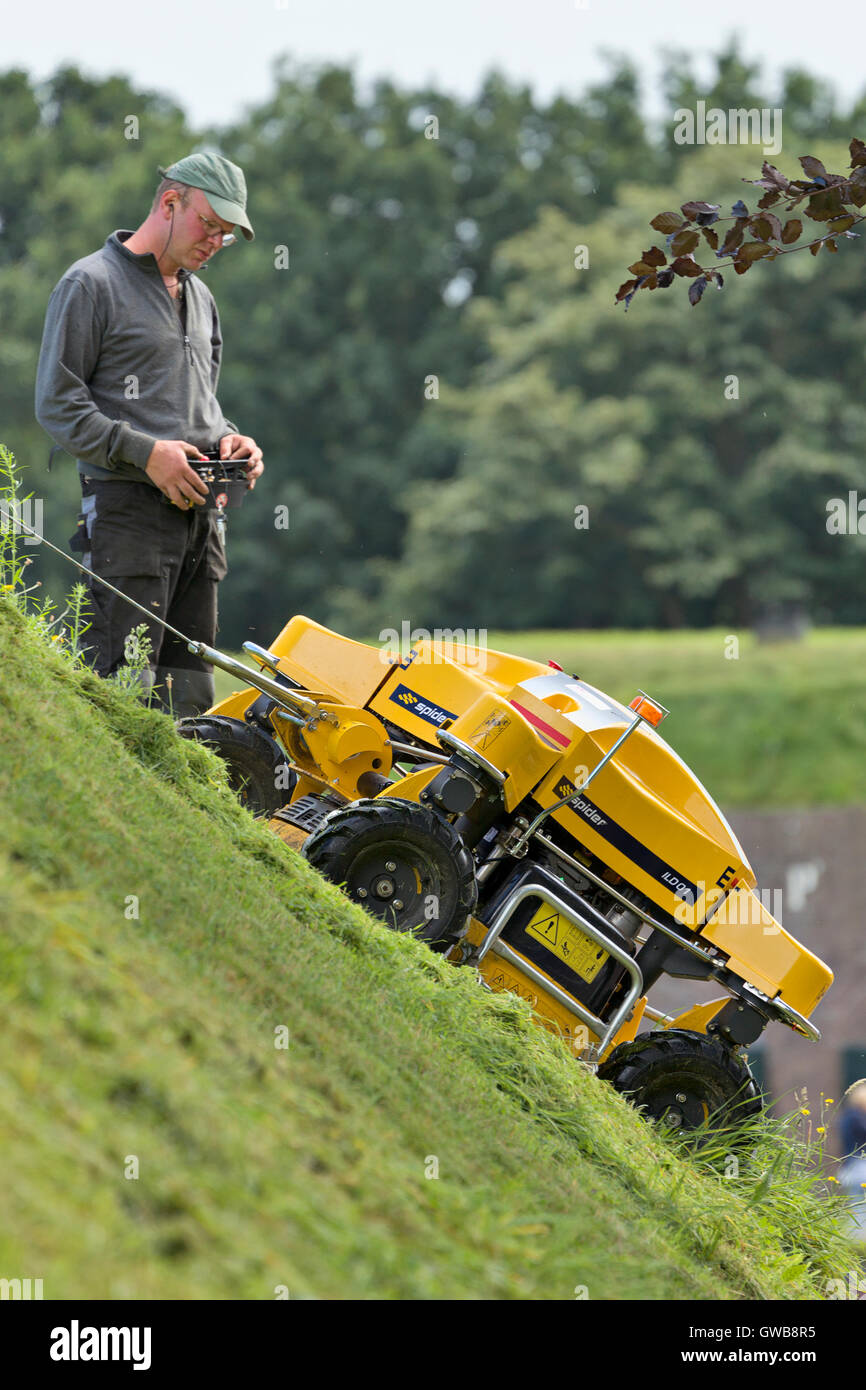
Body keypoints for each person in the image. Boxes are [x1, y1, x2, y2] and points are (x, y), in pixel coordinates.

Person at [35, 153, 264, 716]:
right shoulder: (89, 283)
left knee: (189, 700)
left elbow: (197, 405)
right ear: (170, 202)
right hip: (127, 515)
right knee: (122, 693)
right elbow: (57, 405)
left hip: (203, 518)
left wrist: (232, 440)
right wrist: (146, 454)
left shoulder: (203, 298)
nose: (215, 242)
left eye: (227, 235)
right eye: (209, 225)